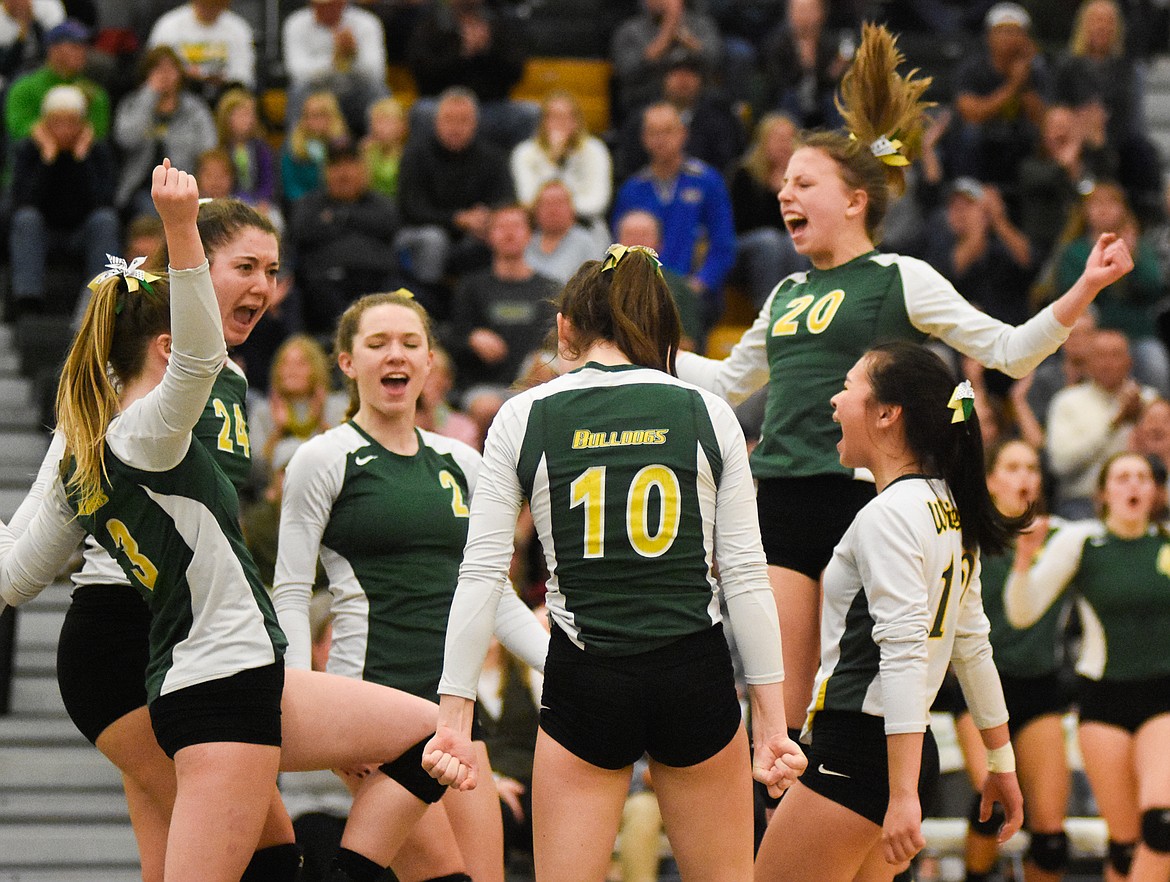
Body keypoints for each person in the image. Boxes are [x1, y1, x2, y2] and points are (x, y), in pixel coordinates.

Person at [673, 22, 1134, 745]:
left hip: (870, 501)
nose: (785, 193)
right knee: (783, 720)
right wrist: (641, 348)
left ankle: (889, 825)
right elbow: (730, 382)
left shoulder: (899, 279)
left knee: (868, 704)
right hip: (783, 497)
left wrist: (1082, 289)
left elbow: (1009, 352)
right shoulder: (787, 290)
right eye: (783, 183)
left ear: (855, 200)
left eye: (803, 182)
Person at [0, 162, 446, 882]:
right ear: (191, 278)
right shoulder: (133, 392)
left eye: (273, 270)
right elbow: (26, 553)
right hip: (126, 635)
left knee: (208, 861)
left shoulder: (229, 379)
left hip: (200, 633)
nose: (265, 287)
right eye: (245, 267)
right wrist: (179, 224)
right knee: (246, 860)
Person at [422, 245, 807, 882]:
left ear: (566, 328)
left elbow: (482, 575)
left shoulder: (524, 414)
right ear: (660, 325)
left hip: (586, 678)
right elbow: (743, 574)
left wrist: (452, 718)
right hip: (694, 673)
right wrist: (770, 724)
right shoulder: (707, 411)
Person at [273, 289, 550, 882]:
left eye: (409, 343)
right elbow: (292, 591)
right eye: (376, 344)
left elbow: (492, 593)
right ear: (347, 362)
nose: (394, 355)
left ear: (429, 363)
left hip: (452, 713)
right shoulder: (323, 458)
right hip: (370, 709)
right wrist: (306, 708)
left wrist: (563, 663)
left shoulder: (463, 462)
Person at [755, 341, 1025, 882]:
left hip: (861, 752)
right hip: (897, 749)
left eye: (849, 385)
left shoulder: (889, 515)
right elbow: (972, 648)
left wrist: (901, 796)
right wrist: (1000, 761)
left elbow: (902, 654)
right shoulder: (949, 508)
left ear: (886, 413)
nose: (834, 401)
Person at [1005, 451, 1170, 882]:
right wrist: (1024, 561)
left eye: (1141, 477)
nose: (1133, 484)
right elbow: (1023, 613)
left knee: (1163, 826)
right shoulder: (1081, 542)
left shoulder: (1168, 542)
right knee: (1124, 846)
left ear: (1154, 492)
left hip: (1163, 699)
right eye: (1122, 477)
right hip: (1104, 703)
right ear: (1103, 493)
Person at [961, 438, 1074, 882]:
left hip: (1038, 684)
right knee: (990, 807)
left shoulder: (1064, 539)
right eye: (1012, 467)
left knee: (1051, 842)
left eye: (1031, 468)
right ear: (989, 480)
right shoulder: (966, 536)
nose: (1025, 477)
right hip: (976, 686)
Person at [610, 101, 737, 333]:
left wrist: (698, 285)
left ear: (683, 135)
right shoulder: (632, 190)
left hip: (694, 292)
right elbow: (618, 249)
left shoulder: (708, 182)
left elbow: (723, 246)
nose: (660, 139)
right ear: (644, 139)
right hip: (642, 294)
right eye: (653, 132)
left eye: (667, 131)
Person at [8, 82, 120, 318]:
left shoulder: (96, 152)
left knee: (105, 221)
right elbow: (22, 202)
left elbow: (104, 201)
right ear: (45, 123)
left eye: (72, 122)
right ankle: (28, 303)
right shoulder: (29, 150)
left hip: (81, 233)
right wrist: (47, 160)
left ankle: (99, 298)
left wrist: (82, 160)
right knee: (26, 219)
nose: (65, 130)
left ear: (82, 124)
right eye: (57, 122)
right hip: (44, 233)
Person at [1045, 328, 1158, 519]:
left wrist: (1142, 424)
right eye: (1100, 356)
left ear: (1129, 363)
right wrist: (1113, 424)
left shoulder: (1149, 401)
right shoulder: (1067, 401)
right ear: (1087, 364)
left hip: (1144, 500)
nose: (1108, 363)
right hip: (1082, 502)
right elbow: (1060, 465)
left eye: (1115, 355)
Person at [114, 45, 217, 216]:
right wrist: (149, 95)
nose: (165, 75)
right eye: (158, 69)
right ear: (147, 74)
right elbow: (126, 139)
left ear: (180, 74)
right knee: (153, 210)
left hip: (186, 186)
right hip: (141, 189)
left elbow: (209, 148)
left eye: (171, 69)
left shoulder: (195, 109)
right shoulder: (132, 104)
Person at [509, 90, 612, 243]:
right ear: (542, 121)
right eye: (553, 117)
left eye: (567, 116)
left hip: (586, 227)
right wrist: (553, 160)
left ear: (577, 120)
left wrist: (557, 210)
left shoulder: (594, 149)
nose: (560, 123)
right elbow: (529, 200)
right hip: (539, 231)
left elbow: (597, 202)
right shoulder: (525, 152)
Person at [281, 0, 388, 138]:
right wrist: (333, 62)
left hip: (355, 91)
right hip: (317, 91)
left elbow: (377, 72)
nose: (324, 9)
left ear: (342, 3)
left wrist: (353, 57)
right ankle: (295, 154)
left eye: (330, 4)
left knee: (378, 91)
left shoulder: (366, 22)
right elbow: (297, 72)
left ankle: (379, 149)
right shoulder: (296, 23)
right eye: (319, 5)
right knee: (298, 91)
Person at [4, 17, 108, 142]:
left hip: (79, 160)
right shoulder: (24, 88)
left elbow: (99, 133)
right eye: (75, 46)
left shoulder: (94, 93)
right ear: (54, 50)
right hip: (33, 159)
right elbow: (18, 129)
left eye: (85, 46)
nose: (83, 52)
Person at [145, 0, 255, 105]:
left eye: (216, 5)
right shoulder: (169, 25)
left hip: (223, 96)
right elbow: (153, 69)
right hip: (180, 92)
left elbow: (243, 76)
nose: (210, 9)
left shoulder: (238, 28)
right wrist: (184, 74)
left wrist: (220, 79)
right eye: (205, 4)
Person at [280, 90, 350, 205]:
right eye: (309, 116)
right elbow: (291, 188)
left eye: (320, 115)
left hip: (340, 205)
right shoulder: (292, 147)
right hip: (303, 207)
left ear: (333, 117)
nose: (314, 121)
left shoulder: (344, 146)